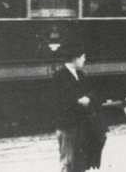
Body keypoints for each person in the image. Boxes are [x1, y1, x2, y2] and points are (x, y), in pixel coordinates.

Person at [52, 43, 108, 172]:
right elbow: (57, 100)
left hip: (81, 124)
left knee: (80, 160)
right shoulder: (59, 76)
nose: (84, 60)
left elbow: (91, 93)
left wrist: (88, 99)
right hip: (68, 125)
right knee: (68, 161)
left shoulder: (80, 75)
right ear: (75, 59)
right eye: (83, 57)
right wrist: (78, 101)